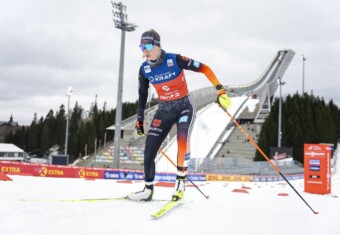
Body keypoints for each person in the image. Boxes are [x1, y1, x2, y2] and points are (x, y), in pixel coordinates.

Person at [127, 29, 231, 201]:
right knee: (149, 150)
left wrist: (220, 90)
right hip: (164, 110)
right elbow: (142, 95)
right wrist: (139, 119)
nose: (144, 51)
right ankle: (147, 189)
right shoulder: (144, 69)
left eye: (147, 46)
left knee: (182, 139)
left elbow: (205, 68)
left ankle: (180, 184)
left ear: (157, 46)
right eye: (141, 47)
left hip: (184, 106)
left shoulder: (174, 59)